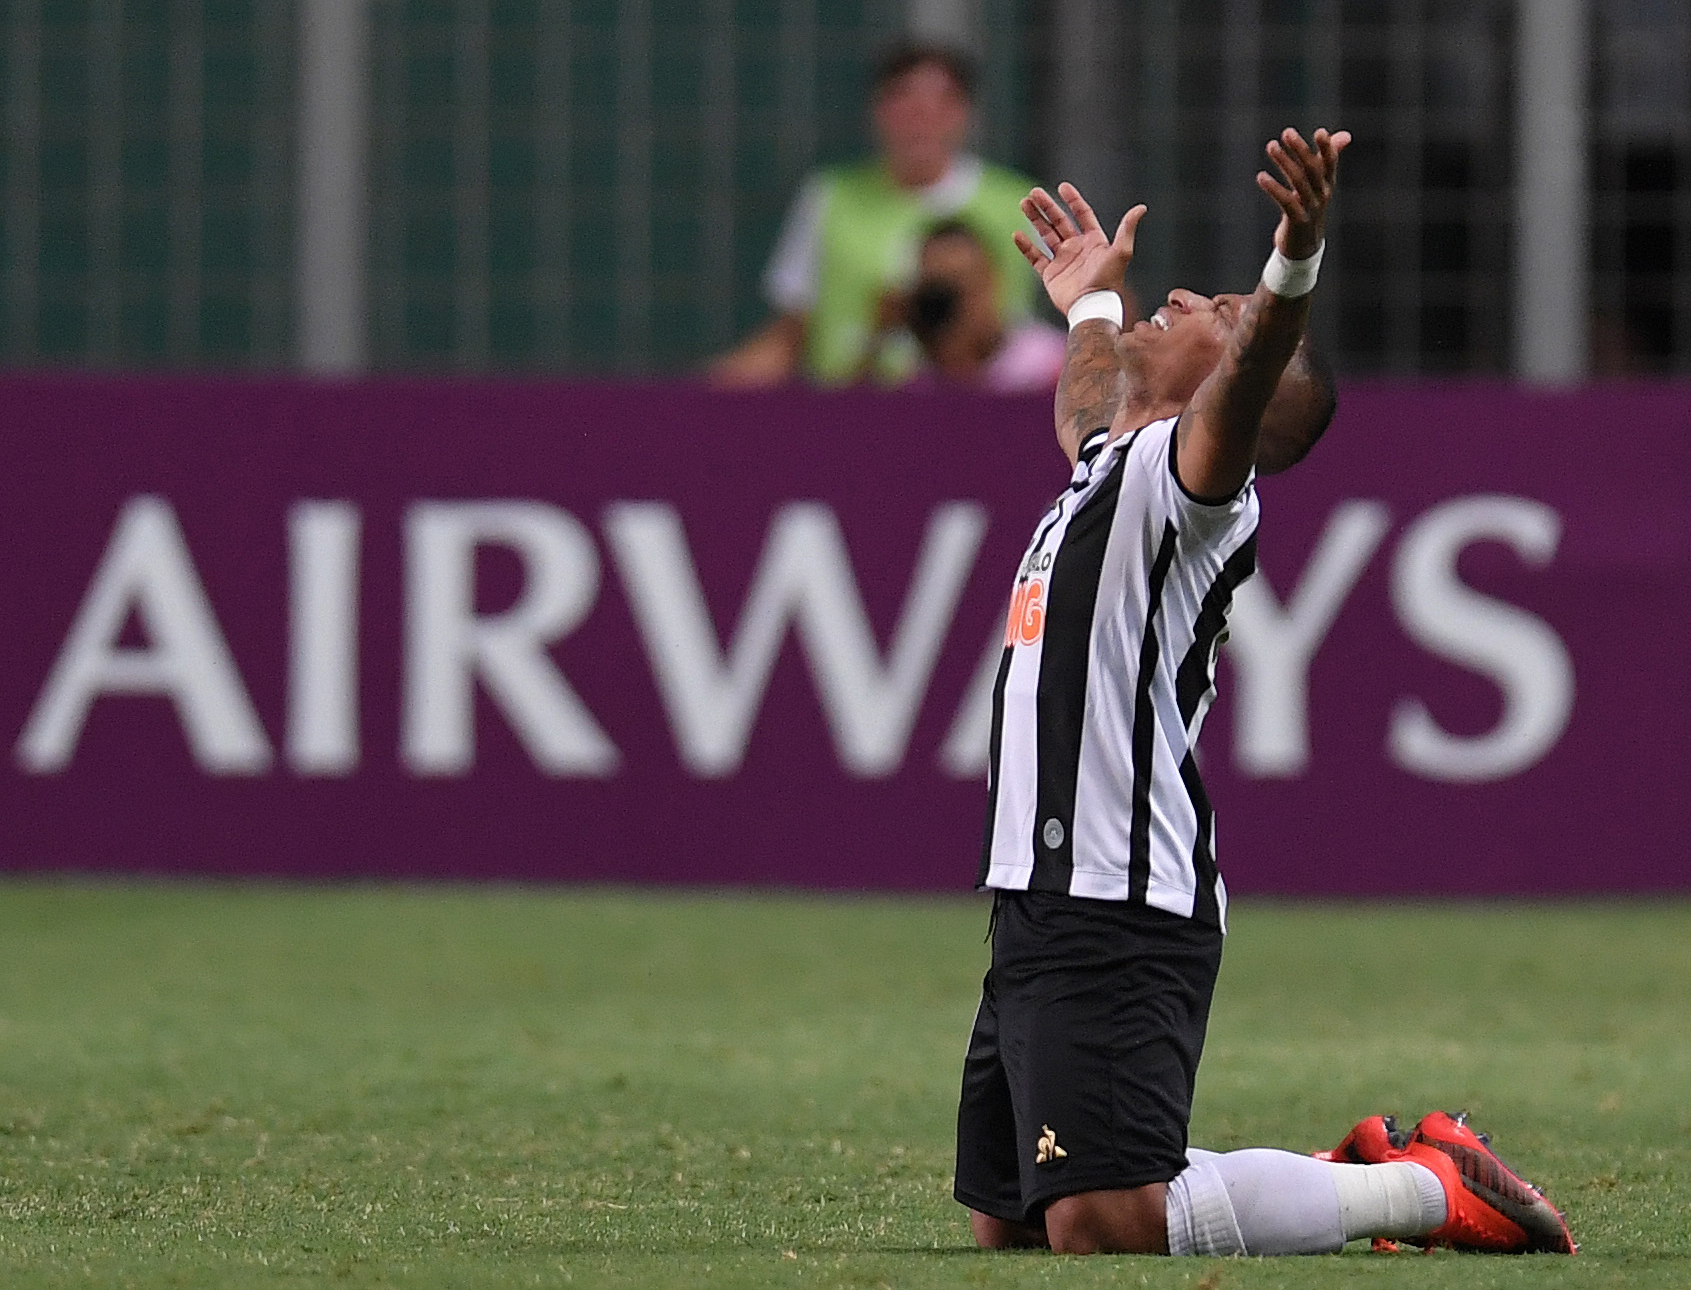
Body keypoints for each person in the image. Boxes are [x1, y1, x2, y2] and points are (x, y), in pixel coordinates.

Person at [952, 128, 1577, 1258]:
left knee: (1101, 1221)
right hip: (1040, 891)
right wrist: (1092, 306)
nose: (1185, 294)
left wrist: (1289, 269)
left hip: (1115, 896)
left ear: (1230, 386)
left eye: (1216, 310)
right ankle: (1342, 1174)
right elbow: (1088, 408)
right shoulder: (1116, 465)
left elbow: (1250, 375)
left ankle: (1427, 1192)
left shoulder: (1198, 492)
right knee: (1012, 1223)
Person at [707, 44, 1046, 388]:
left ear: (965, 113)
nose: (921, 118)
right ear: (877, 109)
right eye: (904, 101)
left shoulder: (1019, 202)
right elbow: (790, 333)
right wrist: (693, 400)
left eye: (940, 103)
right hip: (853, 411)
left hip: (987, 410)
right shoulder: (832, 196)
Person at [872, 220, 1067, 392]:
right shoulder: (907, 380)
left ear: (992, 281)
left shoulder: (1051, 368)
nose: (956, 304)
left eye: (964, 283)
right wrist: (877, 340)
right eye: (940, 292)